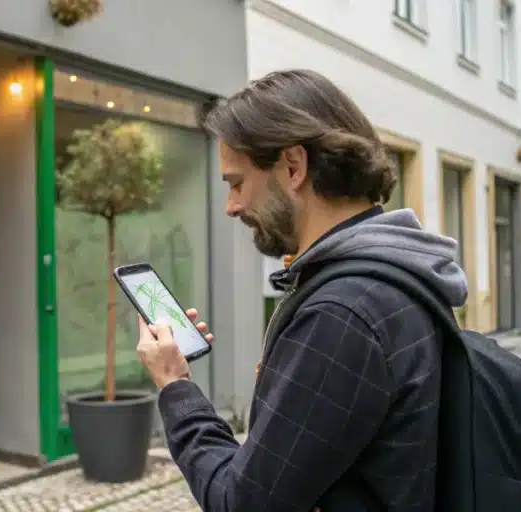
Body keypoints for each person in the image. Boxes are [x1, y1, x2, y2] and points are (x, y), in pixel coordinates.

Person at [135, 69, 468, 511]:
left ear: (293, 166)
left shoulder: (342, 315)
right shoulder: (398, 277)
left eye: (237, 183)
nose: (232, 206)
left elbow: (243, 503)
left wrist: (175, 386)